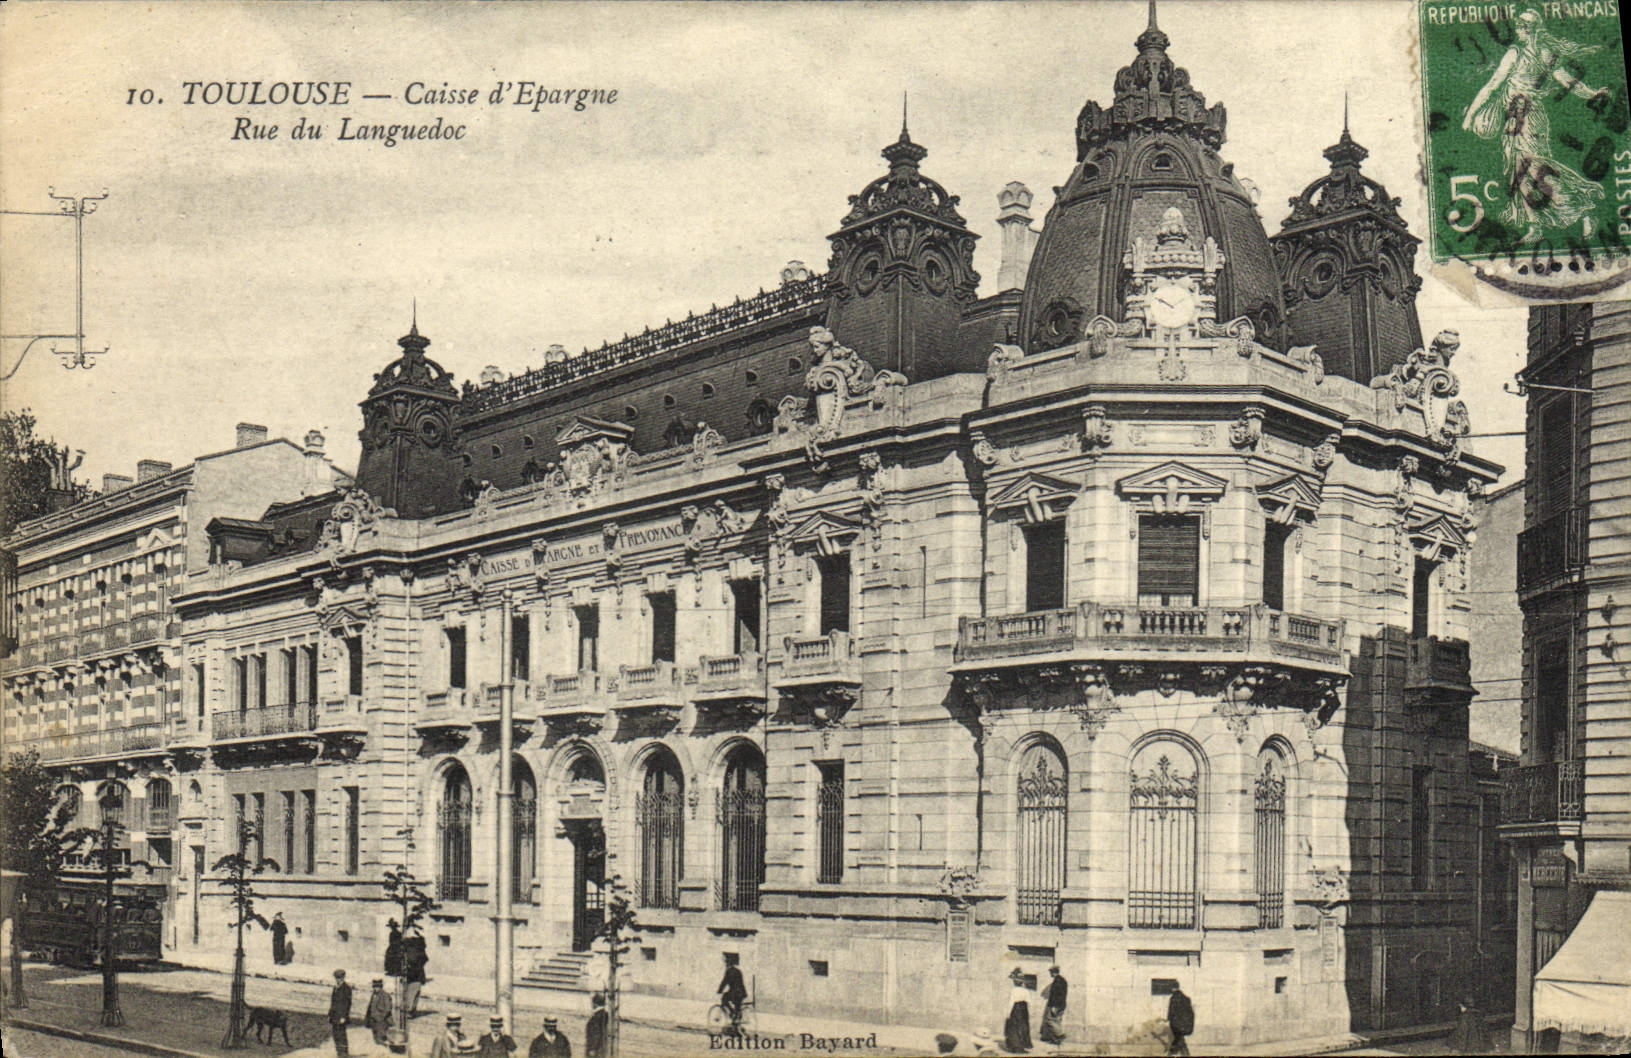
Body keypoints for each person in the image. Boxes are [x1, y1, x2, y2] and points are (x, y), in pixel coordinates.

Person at [1461, 7, 1611, 244]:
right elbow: (1569, 82)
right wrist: (1592, 94)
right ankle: (1536, 226)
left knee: (1533, 167)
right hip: (1524, 117)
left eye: (1521, 26)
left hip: (1525, 118)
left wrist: (1470, 116)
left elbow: (1492, 86)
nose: (1518, 30)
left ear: (1526, 30)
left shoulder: (1516, 54)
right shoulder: (1545, 53)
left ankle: (1583, 205)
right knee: (1520, 168)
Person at [1003, 968, 1032, 1054]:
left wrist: (1008, 1013)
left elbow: (1011, 1002)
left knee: (1014, 1027)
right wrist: (1028, 1012)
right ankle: (1022, 1045)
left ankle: (1015, 1046)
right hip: (1024, 1010)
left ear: (1015, 982)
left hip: (1016, 1009)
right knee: (1023, 1027)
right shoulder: (1026, 991)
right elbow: (1029, 1002)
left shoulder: (1014, 990)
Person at [717, 953, 748, 1030]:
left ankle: (733, 1014)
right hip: (741, 992)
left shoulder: (729, 971)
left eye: (726, 962)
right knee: (737, 1006)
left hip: (735, 992)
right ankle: (736, 1020)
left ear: (728, 963)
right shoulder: (738, 971)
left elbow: (724, 982)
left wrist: (719, 990)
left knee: (724, 999)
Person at [1039, 965, 1068, 1045]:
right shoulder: (1062, 980)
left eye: (1050, 972)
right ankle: (1056, 1040)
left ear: (1053, 972)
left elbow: (1057, 995)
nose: (1050, 974)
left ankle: (1060, 1034)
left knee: (1049, 1020)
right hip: (1062, 1005)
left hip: (1056, 1005)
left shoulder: (1057, 981)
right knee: (1057, 1021)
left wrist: (1053, 1006)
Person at [328, 969, 354, 1057]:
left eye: (339, 978)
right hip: (334, 1016)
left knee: (341, 1034)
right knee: (335, 1034)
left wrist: (344, 1016)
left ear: (343, 978)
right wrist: (330, 1014)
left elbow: (347, 1004)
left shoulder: (346, 988)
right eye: (336, 978)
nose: (338, 980)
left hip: (341, 1016)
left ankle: (344, 1053)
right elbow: (333, 1002)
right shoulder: (336, 987)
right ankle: (339, 1052)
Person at [403, 934, 429, 1017]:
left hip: (411, 974)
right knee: (414, 992)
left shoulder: (409, 950)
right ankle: (411, 1010)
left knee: (410, 991)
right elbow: (425, 959)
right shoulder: (419, 951)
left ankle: (409, 1010)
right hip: (417, 974)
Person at [1165, 984, 1194, 1057]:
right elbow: (1190, 1012)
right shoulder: (1186, 998)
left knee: (1177, 1041)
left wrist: (1168, 1020)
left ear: (1173, 989)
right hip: (1185, 1024)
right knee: (1180, 1040)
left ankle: (1171, 1054)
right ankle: (1185, 1054)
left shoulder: (1173, 998)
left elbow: (1171, 1012)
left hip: (1176, 1025)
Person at [365, 979, 394, 1046]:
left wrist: (380, 1017)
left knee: (381, 1039)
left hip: (382, 1022)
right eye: (374, 987)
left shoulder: (385, 995)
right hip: (374, 1021)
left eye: (377, 987)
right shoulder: (374, 995)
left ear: (381, 987)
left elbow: (388, 1009)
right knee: (376, 1039)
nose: (375, 989)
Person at [585, 993, 609, 1058]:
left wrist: (593, 1049)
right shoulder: (604, 1014)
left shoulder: (596, 1017)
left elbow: (596, 1034)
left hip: (595, 1050)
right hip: (602, 1048)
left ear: (595, 1004)